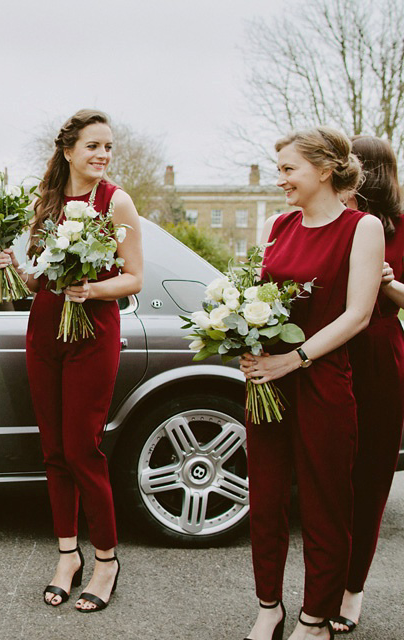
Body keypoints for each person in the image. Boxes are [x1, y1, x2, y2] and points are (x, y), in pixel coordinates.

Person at [0, 109, 143, 612]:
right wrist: (11, 264)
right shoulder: (47, 201)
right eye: (93, 146)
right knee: (54, 449)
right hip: (45, 331)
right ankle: (66, 555)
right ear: (68, 150)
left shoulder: (115, 201)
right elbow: (39, 279)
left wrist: (92, 288)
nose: (102, 155)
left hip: (93, 333)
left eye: (108, 147)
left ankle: (106, 561)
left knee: (83, 449)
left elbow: (134, 277)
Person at [239, 126, 383, 640]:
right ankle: (269, 608)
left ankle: (315, 618)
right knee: (267, 497)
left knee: (325, 503)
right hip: (267, 385)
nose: (281, 180)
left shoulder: (361, 227)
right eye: (278, 169)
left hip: (321, 379)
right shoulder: (278, 225)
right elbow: (256, 299)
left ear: (324, 171)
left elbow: (358, 314)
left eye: (288, 170)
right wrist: (244, 340)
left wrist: (294, 359)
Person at [327, 135, 404, 634]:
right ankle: (326, 583)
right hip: (329, 349)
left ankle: (353, 591)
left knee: (371, 477)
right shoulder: (329, 219)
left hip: (378, 353)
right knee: (329, 475)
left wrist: (386, 282)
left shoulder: (400, 227)